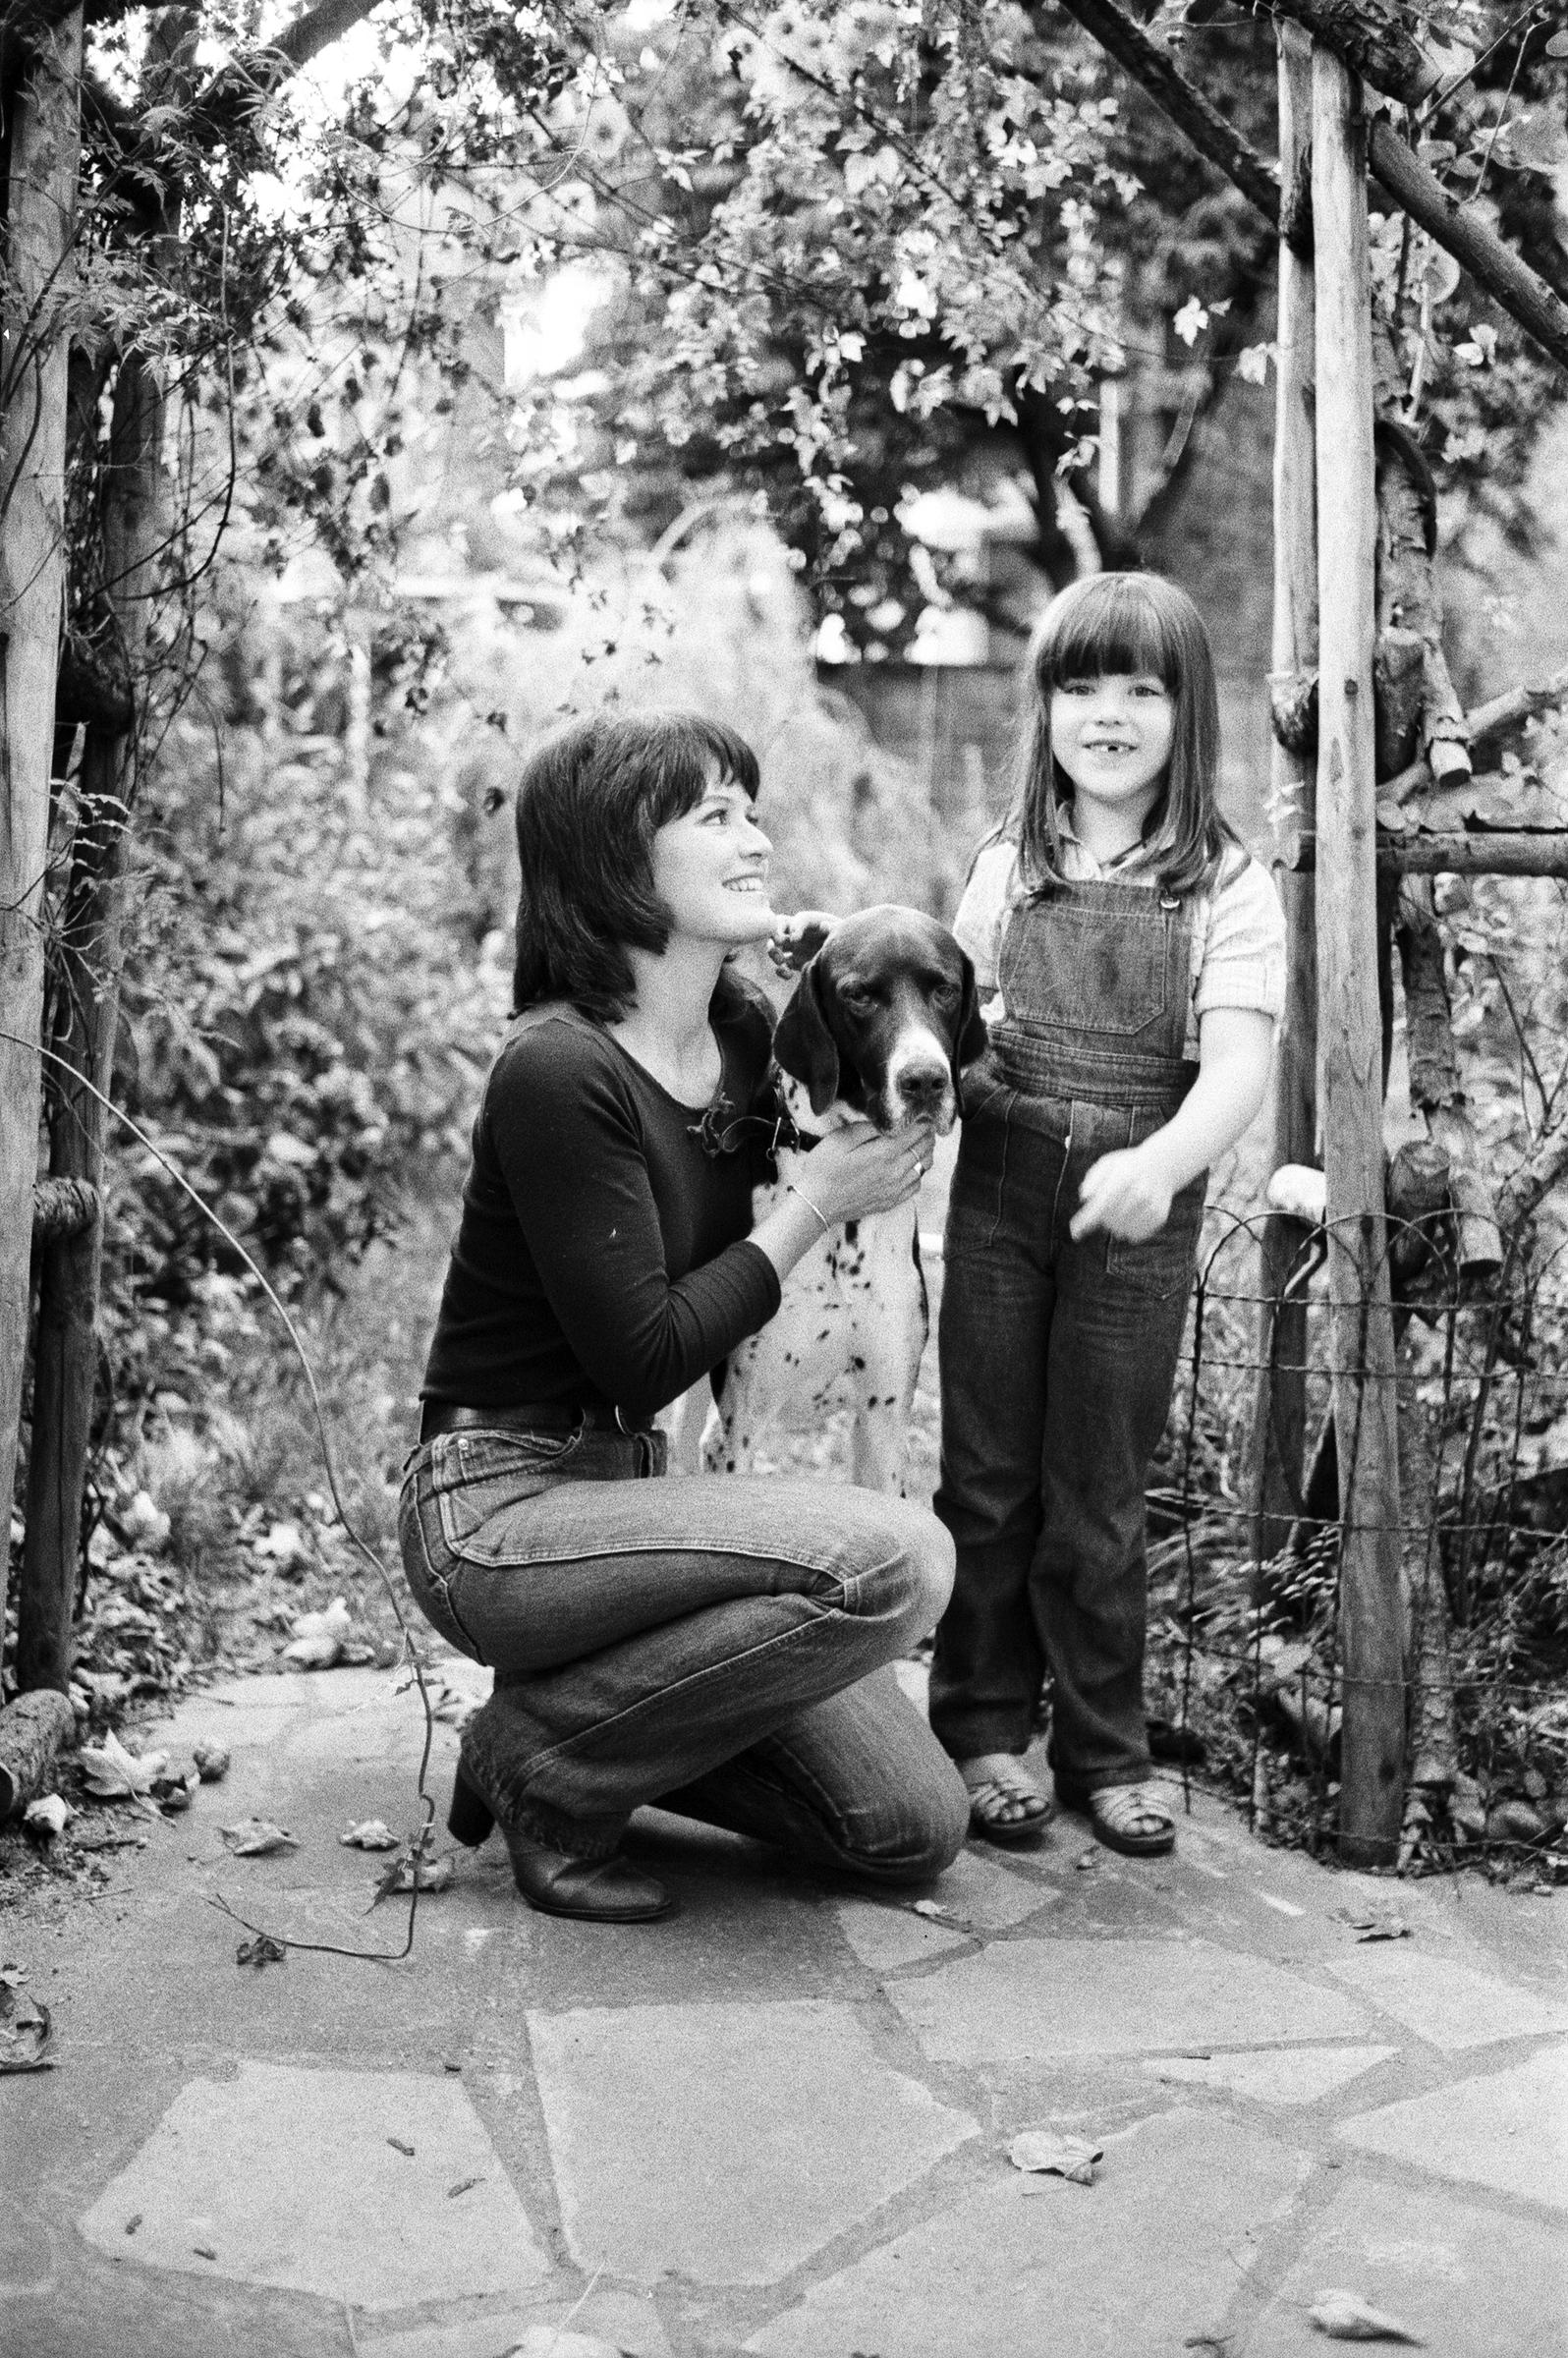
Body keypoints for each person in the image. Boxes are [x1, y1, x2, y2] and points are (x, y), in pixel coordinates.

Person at [398, 710, 969, 1923]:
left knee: (910, 1825)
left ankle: (602, 1720)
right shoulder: (557, 1069)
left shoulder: (752, 1040)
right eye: (715, 816)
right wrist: (814, 1203)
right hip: (503, 1511)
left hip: (646, 1503)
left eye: (751, 811)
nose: (755, 837)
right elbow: (643, 1350)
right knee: (899, 1558)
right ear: (618, 862)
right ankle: (543, 1764)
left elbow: (888, 1046)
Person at [930, 573, 1286, 1856]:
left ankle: (1103, 1748)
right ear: (1045, 708)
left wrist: (1164, 1163)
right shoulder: (1004, 865)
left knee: (1099, 1488)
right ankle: (977, 1726)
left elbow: (1240, 1067)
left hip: (1140, 1206)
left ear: (1189, 711)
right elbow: (952, 1020)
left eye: (1143, 688)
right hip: (1002, 1192)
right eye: (1082, 686)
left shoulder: (1227, 885)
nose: (1110, 714)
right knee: (986, 1476)